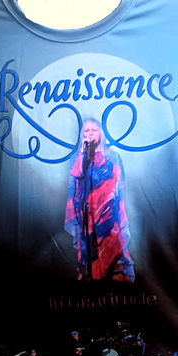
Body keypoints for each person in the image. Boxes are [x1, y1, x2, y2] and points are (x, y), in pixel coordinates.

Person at [64, 118, 135, 282]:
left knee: (114, 249)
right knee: (90, 252)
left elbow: (119, 185)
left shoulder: (113, 156)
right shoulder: (77, 157)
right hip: (87, 214)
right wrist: (83, 153)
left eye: (93, 130)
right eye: (86, 131)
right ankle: (95, 285)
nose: (90, 134)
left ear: (101, 133)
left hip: (108, 212)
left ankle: (119, 284)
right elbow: (75, 178)